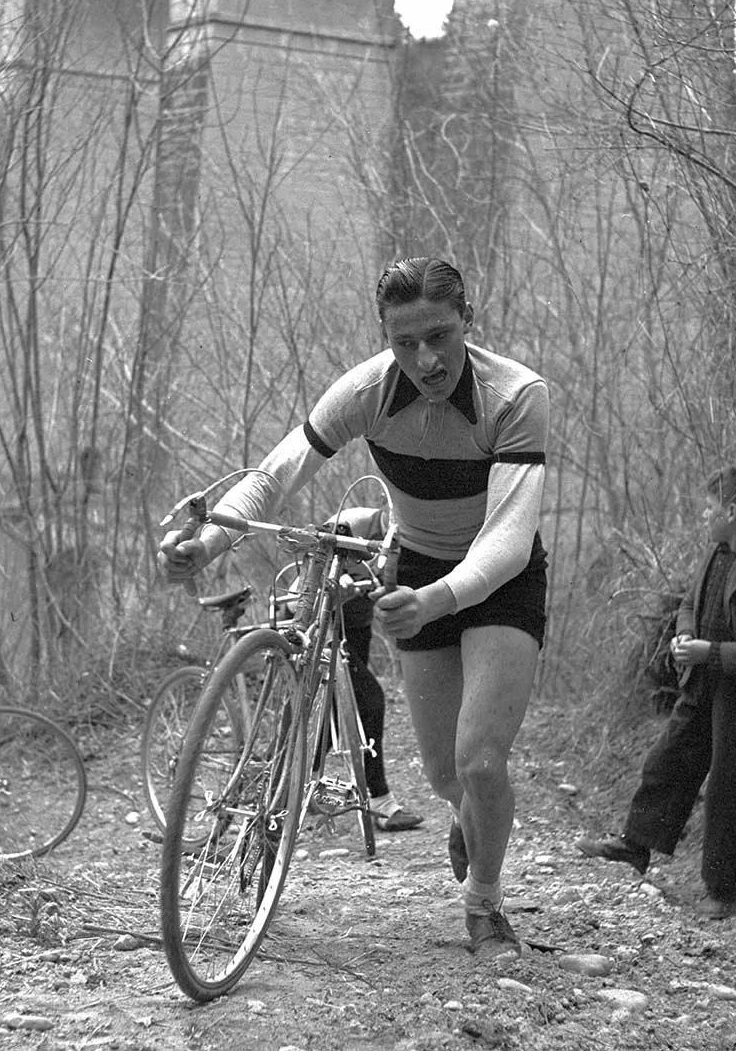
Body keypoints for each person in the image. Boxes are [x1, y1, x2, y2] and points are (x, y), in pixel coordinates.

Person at [160, 256, 549, 958]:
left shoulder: (516, 395)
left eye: (439, 336)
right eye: (405, 343)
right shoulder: (367, 391)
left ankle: (484, 907)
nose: (425, 359)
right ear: (387, 339)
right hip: (420, 566)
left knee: (482, 760)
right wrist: (211, 540)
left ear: (468, 320)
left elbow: (511, 539)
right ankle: (470, 819)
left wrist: (434, 600)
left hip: (498, 575)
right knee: (442, 774)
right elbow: (275, 474)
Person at [576, 463, 736, 920]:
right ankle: (635, 845)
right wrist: (685, 635)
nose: (704, 515)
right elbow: (691, 604)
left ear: (733, 511)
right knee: (669, 758)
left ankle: (719, 890)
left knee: (728, 790)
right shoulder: (717, 553)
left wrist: (707, 651)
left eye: (710, 507)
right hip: (706, 680)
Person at [327, 506, 423, 832]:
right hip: (325, 626)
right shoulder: (351, 524)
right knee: (370, 702)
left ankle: (286, 788)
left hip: (356, 628)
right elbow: (305, 579)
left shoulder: (415, 540)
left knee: (336, 714)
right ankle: (380, 802)